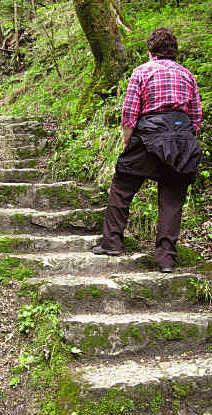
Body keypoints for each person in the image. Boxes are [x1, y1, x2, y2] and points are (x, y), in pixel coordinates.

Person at [92, 27, 202, 273]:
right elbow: (195, 118)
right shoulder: (188, 75)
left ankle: (112, 243)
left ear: (151, 50)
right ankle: (165, 260)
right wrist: (182, 141)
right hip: (181, 140)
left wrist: (127, 143)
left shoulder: (142, 71)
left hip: (147, 137)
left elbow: (130, 113)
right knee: (172, 201)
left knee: (121, 187)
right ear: (174, 51)